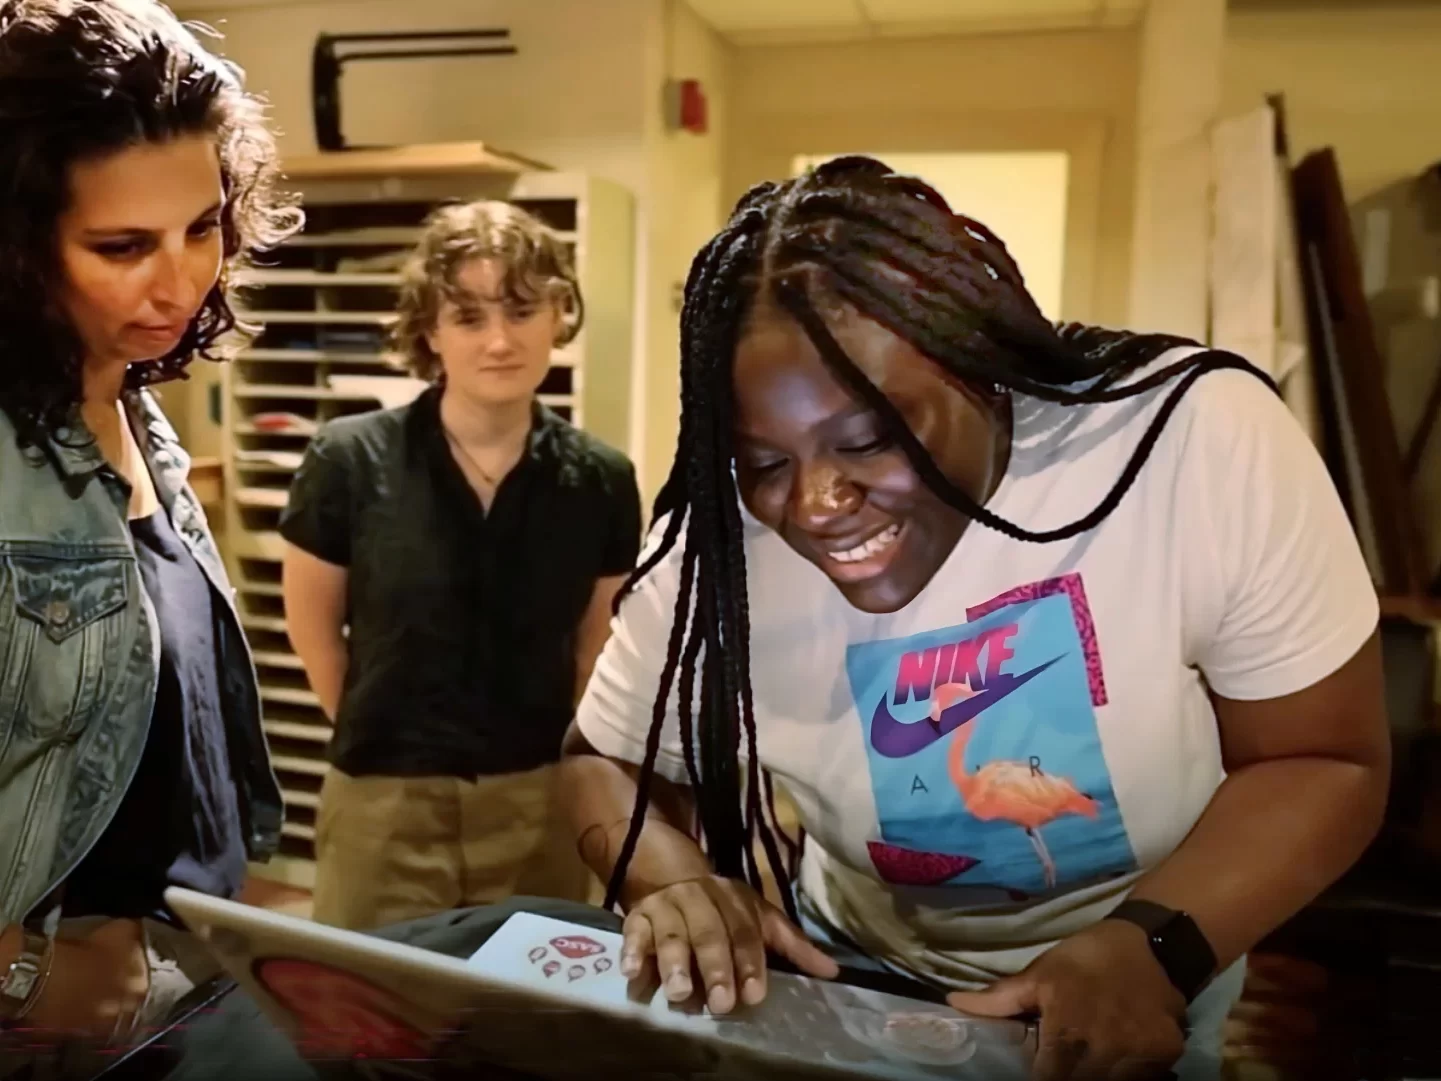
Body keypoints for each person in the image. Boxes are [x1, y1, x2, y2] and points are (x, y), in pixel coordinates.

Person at [559, 156, 1391, 1081]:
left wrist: (1150, 949)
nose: (816, 502)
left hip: (1154, 960)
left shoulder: (1190, 442)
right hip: (849, 975)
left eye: (870, 437)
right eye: (762, 462)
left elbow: (1323, 755)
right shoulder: (717, 545)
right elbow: (602, 758)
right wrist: (672, 881)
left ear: (975, 369)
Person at [0, 0, 297, 1069]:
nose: (182, 285)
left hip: (185, 989)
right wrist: (17, 970)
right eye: (122, 246)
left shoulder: (137, 414)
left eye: (204, 226)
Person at [280, 200, 644, 932]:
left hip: (540, 797)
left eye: (520, 309)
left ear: (558, 315)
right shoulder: (348, 458)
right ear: (431, 329)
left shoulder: (601, 478)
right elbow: (314, 631)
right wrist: (385, 737)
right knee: (370, 1020)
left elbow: (592, 650)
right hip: (382, 800)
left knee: (527, 1022)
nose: (500, 340)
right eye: (470, 317)